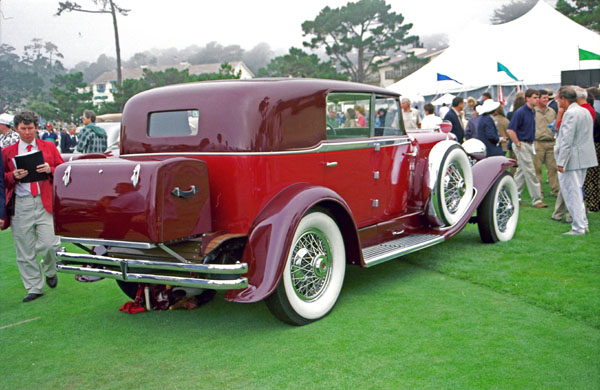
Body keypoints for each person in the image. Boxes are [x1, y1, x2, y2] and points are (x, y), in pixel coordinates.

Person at [2, 110, 64, 302]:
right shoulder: (7, 152)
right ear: (16, 129)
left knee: (50, 244)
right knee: (24, 249)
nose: (27, 132)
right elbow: (2, 179)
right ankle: (34, 287)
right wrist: (13, 176)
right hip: (21, 204)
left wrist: (50, 169)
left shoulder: (49, 147)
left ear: (36, 128)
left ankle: (50, 269)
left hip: (45, 202)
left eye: (30, 128)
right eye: (23, 129)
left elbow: (62, 170)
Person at [553, 86, 597, 235]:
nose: (558, 101)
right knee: (576, 192)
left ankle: (578, 227)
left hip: (573, 158)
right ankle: (582, 224)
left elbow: (567, 139)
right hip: (583, 156)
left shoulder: (571, 113)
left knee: (572, 193)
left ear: (564, 99)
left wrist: (561, 161)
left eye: (559, 98)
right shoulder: (585, 111)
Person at [507, 88, 547, 208]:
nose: (537, 99)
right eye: (534, 97)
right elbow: (510, 130)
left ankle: (512, 195)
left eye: (537, 97)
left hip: (529, 143)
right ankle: (537, 199)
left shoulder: (532, 111)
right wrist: (518, 143)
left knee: (522, 172)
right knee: (530, 171)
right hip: (522, 144)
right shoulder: (520, 112)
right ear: (527, 98)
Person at [533, 89, 559, 197]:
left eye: (547, 97)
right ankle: (539, 192)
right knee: (537, 168)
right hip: (537, 142)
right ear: (538, 99)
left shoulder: (552, 111)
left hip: (551, 142)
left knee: (553, 168)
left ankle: (556, 190)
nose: (546, 99)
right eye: (544, 97)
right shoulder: (533, 111)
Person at [583, 87, 600, 212]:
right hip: (598, 145)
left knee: (590, 178)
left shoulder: (587, 116)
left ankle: (592, 204)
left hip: (591, 146)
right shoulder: (597, 115)